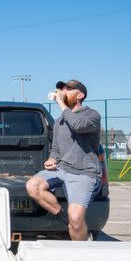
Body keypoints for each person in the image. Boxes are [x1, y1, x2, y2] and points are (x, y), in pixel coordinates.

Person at [26, 79, 102, 241]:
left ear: (80, 95)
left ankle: (80, 241)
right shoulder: (59, 122)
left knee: (77, 218)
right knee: (33, 186)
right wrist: (52, 158)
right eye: (61, 90)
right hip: (61, 170)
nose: (62, 92)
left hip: (83, 173)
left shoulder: (92, 115)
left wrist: (61, 103)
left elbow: (77, 126)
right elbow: (56, 148)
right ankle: (66, 220)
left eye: (67, 89)